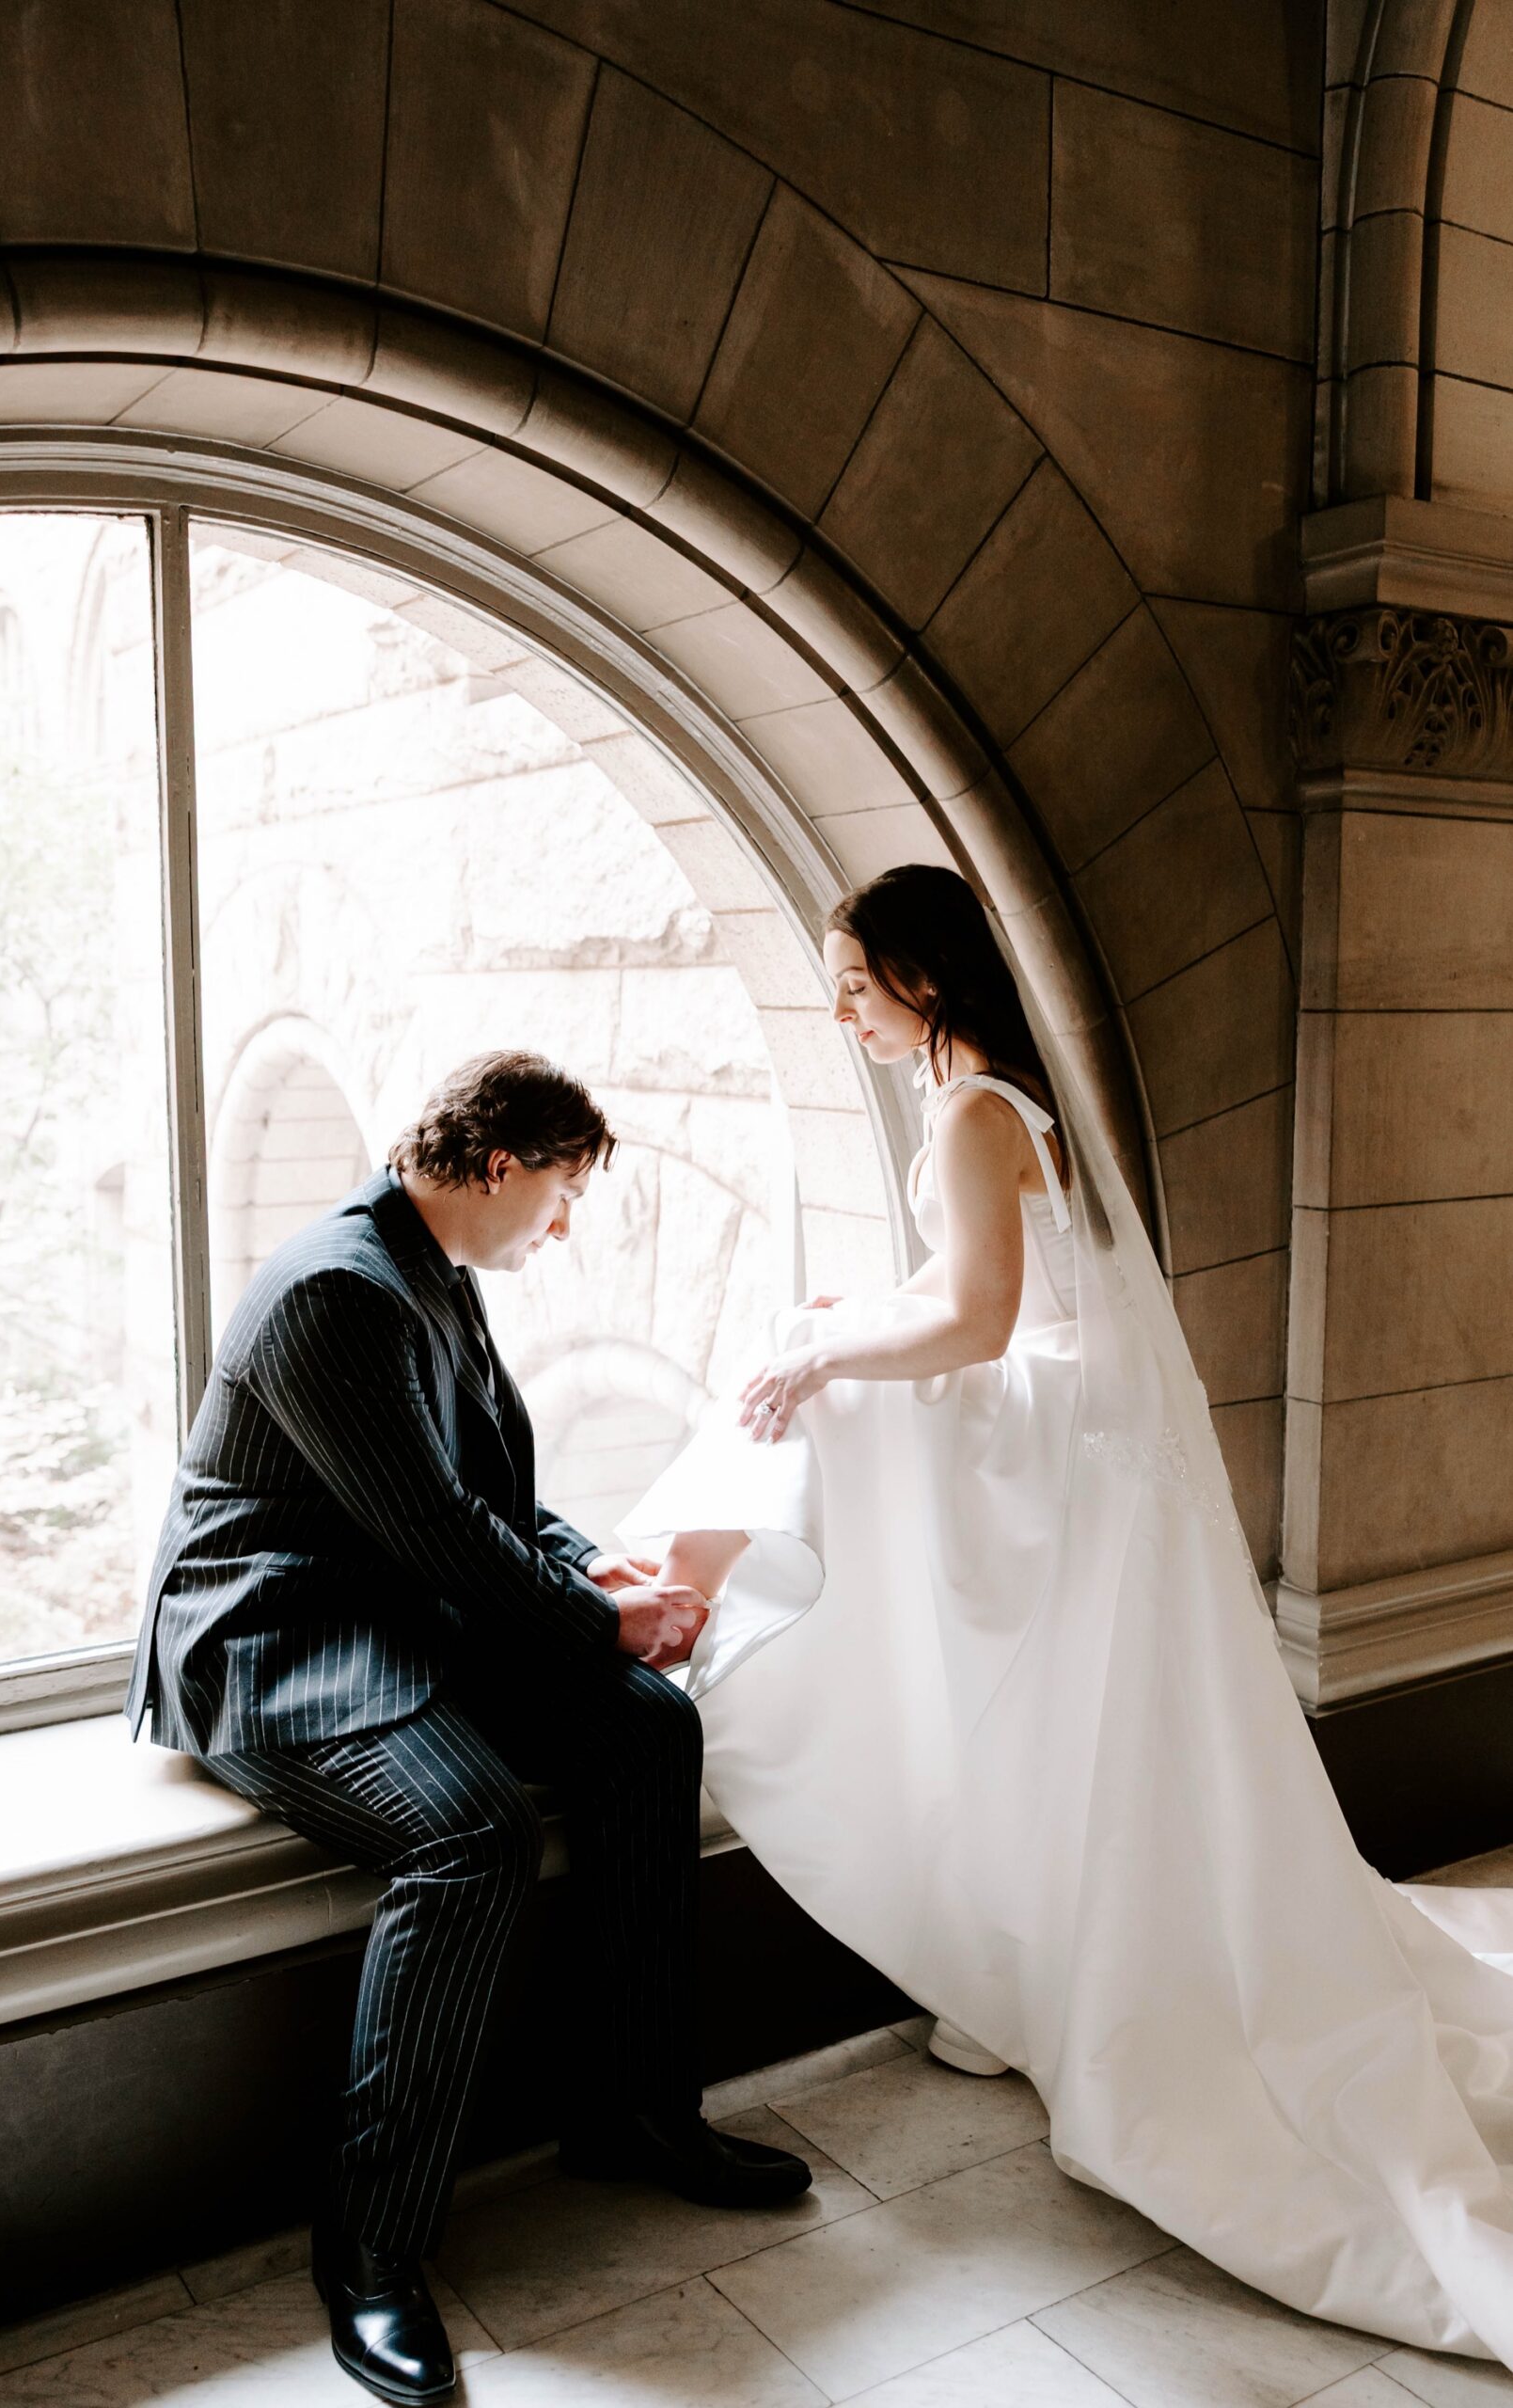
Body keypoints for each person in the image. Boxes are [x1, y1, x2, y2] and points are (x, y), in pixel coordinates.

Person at [614, 862, 1513, 2373]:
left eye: (853, 984)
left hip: (1048, 1437)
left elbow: (977, 1321)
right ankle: (690, 1598)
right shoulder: (994, 1094)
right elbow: (964, 1288)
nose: (841, 1012)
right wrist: (843, 1325)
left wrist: (831, 1362)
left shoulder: (973, 1110)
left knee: (808, 1407)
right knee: (1033, 1686)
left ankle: (671, 1601)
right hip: (1080, 1443)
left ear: (925, 976)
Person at [123, 1049, 810, 2408]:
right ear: (499, 1165)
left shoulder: (432, 1266)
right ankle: (371, 2251)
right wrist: (594, 1619)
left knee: (645, 1732)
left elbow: (488, 1487)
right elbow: (436, 1528)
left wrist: (603, 1574)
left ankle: (633, 2114)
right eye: (559, 1192)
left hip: (392, 1605)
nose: (561, 1224)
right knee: (472, 1830)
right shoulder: (334, 1288)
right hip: (271, 1641)